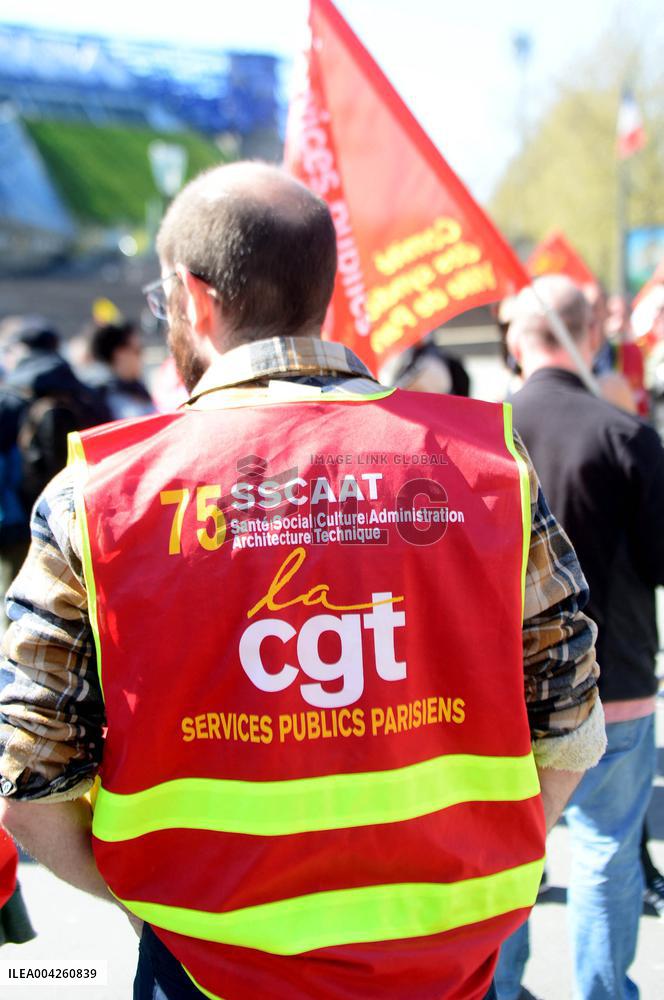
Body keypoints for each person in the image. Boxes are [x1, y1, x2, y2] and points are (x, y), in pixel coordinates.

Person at [0, 164, 604, 1000]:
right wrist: (468, 877)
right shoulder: (485, 465)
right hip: (449, 973)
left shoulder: (100, 496)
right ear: (322, 290)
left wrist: (161, 918)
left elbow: (27, 781)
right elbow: (572, 722)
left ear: (194, 300)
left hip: (202, 975)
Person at [499, 274, 664, 1000]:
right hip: (617, 678)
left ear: (513, 341)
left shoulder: (472, 437)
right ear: (589, 336)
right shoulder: (625, 433)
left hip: (498, 691)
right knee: (606, 854)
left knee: (507, 855)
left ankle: (498, 990)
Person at [0, 316, 110, 632]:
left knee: (17, 612)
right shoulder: (84, 391)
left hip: (18, 524)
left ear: (20, 349)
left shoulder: (10, 395)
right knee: (83, 606)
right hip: (85, 518)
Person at [86, 320, 156, 420]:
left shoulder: (138, 389)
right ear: (120, 354)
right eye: (138, 351)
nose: (142, 356)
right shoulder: (103, 397)